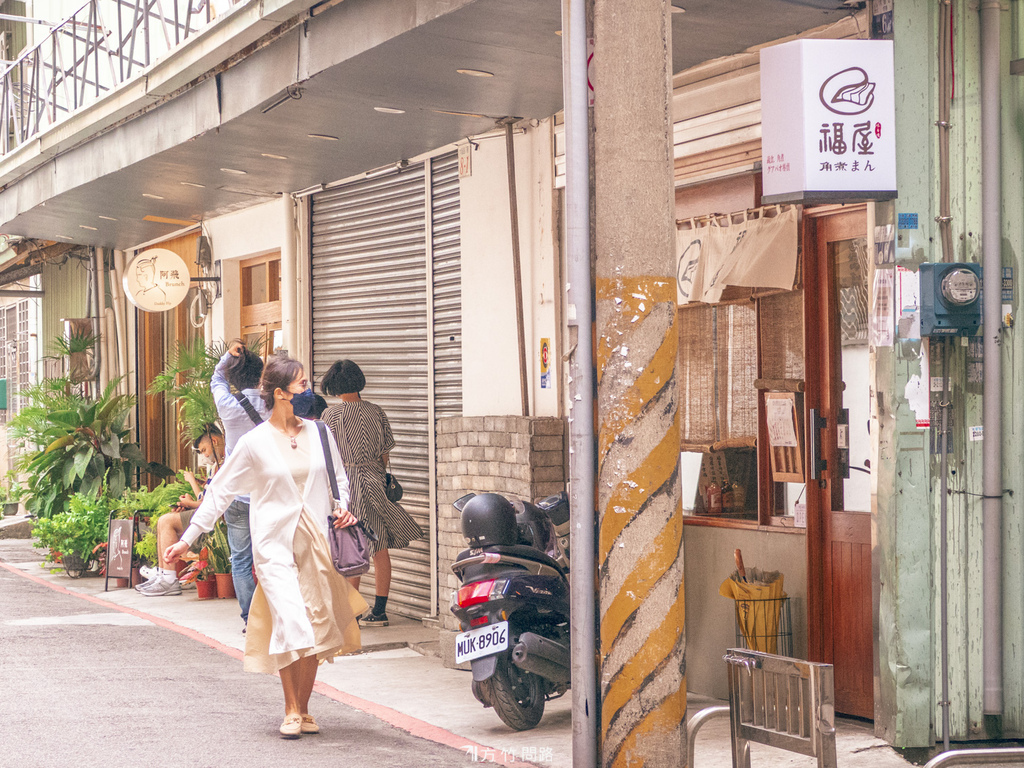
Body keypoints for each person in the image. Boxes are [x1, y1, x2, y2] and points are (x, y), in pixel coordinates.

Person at [165, 355, 368, 738]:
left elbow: (338, 480)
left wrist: (344, 509)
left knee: (316, 624)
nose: (309, 390)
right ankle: (291, 709)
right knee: (292, 619)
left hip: (318, 544)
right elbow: (219, 493)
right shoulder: (254, 443)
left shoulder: (321, 433)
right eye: (302, 385)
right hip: (275, 544)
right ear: (280, 394)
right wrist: (187, 539)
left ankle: (305, 709)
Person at [321, 360, 423, 627]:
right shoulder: (376, 411)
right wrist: (374, 471)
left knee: (352, 548)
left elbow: (326, 458)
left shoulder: (330, 417)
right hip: (375, 482)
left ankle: (351, 613)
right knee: (379, 548)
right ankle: (379, 611)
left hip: (347, 485)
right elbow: (385, 452)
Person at [211, 339, 271, 626]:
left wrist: (228, 356)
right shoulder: (274, 403)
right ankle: (275, 614)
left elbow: (216, 377)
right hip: (270, 492)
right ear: (261, 376)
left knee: (241, 559)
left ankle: (251, 619)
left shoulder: (227, 404)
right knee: (272, 555)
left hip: (238, 494)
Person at [137, 427, 225, 596]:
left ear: (214, 441)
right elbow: (206, 499)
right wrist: (189, 504)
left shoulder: (224, 464)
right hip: (208, 514)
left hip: (216, 519)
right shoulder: (215, 466)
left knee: (166, 521)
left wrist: (191, 496)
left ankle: (168, 579)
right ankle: (164, 574)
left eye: (204, 450)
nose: (204, 455)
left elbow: (208, 503)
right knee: (165, 519)